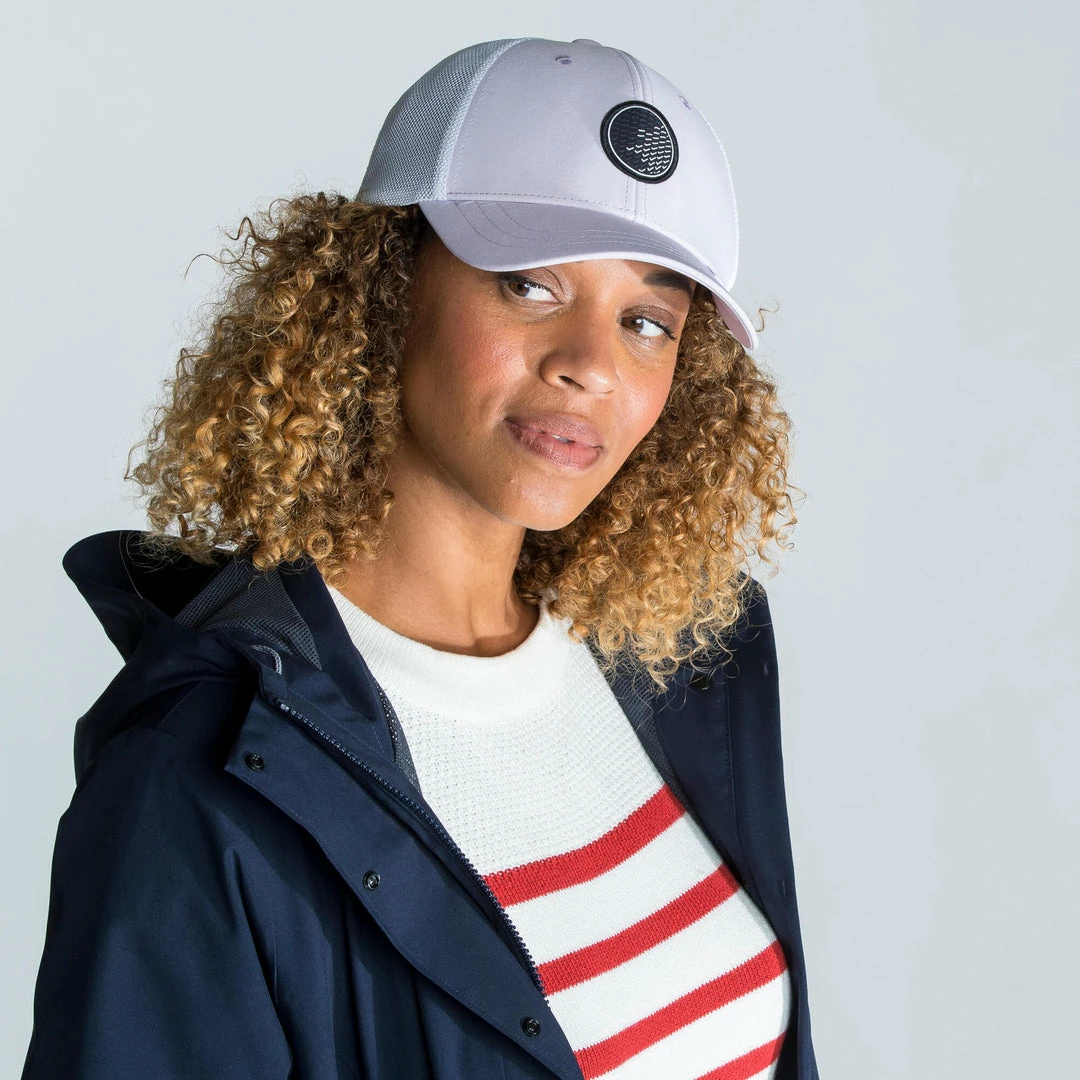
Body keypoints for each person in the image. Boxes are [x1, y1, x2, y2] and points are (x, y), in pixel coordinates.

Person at [23, 36, 818, 1080]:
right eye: (529, 285)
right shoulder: (193, 783)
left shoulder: (683, 658)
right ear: (381, 287)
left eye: (645, 320)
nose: (590, 365)